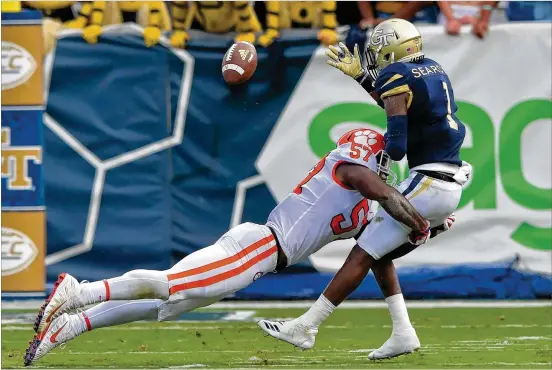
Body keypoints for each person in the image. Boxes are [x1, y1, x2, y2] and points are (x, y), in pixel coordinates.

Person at [25, 127, 440, 366]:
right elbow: (380, 191)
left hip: (257, 256)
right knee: (171, 285)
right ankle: (80, 292)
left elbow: (379, 254)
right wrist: (420, 219)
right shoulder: (356, 164)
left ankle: (71, 325)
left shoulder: (362, 207)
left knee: (164, 304)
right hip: (258, 247)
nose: (385, 164)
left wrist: (423, 232)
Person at [258, 18, 472, 360]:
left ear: (393, 49)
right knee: (378, 252)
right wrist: (361, 78)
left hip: (429, 182)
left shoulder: (395, 76)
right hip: (447, 179)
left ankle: (306, 327)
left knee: (363, 252)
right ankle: (403, 331)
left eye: (380, 51)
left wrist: (381, 154)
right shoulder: (430, 68)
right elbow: (401, 105)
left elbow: (398, 144)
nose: (376, 58)